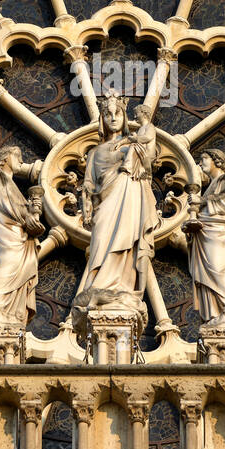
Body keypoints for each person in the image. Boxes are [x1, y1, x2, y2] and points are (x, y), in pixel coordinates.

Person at [77, 93, 158, 297]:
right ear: (102, 120)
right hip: (103, 204)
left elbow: (147, 165)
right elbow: (88, 183)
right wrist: (86, 206)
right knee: (101, 240)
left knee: (126, 241)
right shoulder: (94, 152)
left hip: (128, 198)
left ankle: (121, 285)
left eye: (118, 114)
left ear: (124, 118)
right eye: (107, 114)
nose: (113, 118)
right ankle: (99, 284)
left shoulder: (132, 144)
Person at [0, 146, 44, 327]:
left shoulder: (12, 184)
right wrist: (27, 215)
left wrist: (32, 210)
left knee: (19, 269)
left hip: (19, 237)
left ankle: (10, 310)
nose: (22, 162)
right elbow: (4, 204)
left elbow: (16, 206)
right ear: (5, 159)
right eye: (18, 156)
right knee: (4, 267)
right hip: (5, 234)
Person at [185, 149, 225, 327]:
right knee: (210, 273)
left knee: (219, 269)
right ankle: (214, 312)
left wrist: (202, 202)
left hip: (219, 233)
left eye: (204, 158)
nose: (200, 163)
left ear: (216, 161)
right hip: (206, 234)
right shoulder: (211, 185)